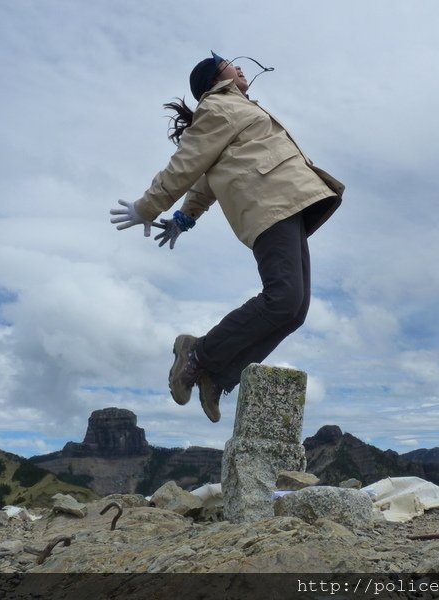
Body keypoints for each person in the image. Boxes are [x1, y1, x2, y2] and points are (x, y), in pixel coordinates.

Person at [110, 51, 344, 423]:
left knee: (294, 310)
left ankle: (218, 377)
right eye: (230, 64)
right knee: (283, 299)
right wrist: (147, 207)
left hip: (288, 203)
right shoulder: (217, 107)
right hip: (269, 203)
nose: (240, 66)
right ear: (215, 79)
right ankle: (198, 354)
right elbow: (187, 164)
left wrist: (184, 218)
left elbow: (208, 176)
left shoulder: (235, 108)